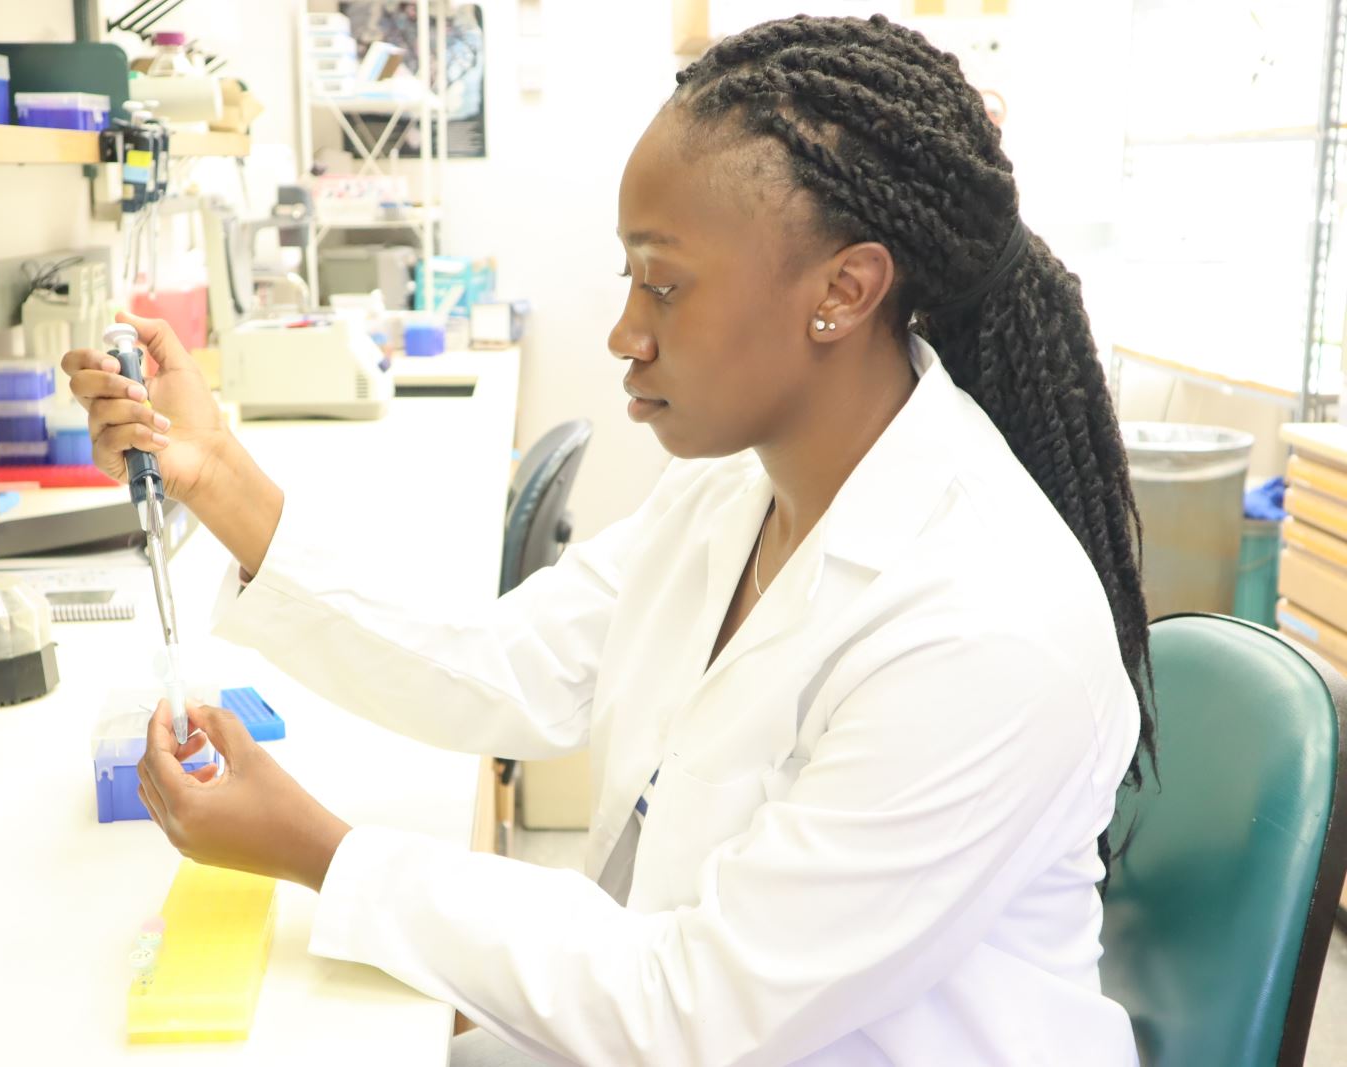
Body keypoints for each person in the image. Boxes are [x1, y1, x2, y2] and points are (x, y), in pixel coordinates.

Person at [64, 14, 1152, 1066]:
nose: (625, 333)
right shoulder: (740, 497)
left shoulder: (984, 624)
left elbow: (694, 1010)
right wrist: (221, 484)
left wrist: (323, 850)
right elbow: (499, 665)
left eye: (664, 284)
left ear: (843, 290)